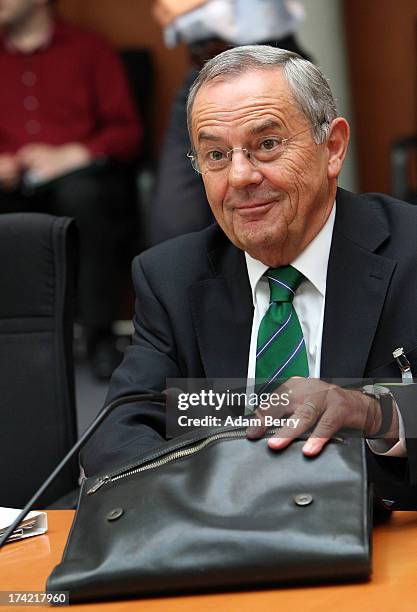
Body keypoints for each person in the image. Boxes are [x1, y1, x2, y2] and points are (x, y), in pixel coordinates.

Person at [82, 45, 417, 510]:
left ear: (333, 147)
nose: (240, 176)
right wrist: (228, 499)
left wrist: (375, 412)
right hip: (225, 551)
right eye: (216, 154)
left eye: (267, 145)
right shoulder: (171, 278)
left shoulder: (409, 250)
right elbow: (116, 437)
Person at [0, 0, 141, 378]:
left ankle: (98, 336)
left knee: (83, 198)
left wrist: (73, 154)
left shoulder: (89, 49)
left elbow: (127, 132)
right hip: (9, 180)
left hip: (77, 177)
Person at [148, 0, 309, 247]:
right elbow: (165, 10)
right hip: (204, 67)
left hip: (268, 64)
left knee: (292, 212)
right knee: (174, 226)